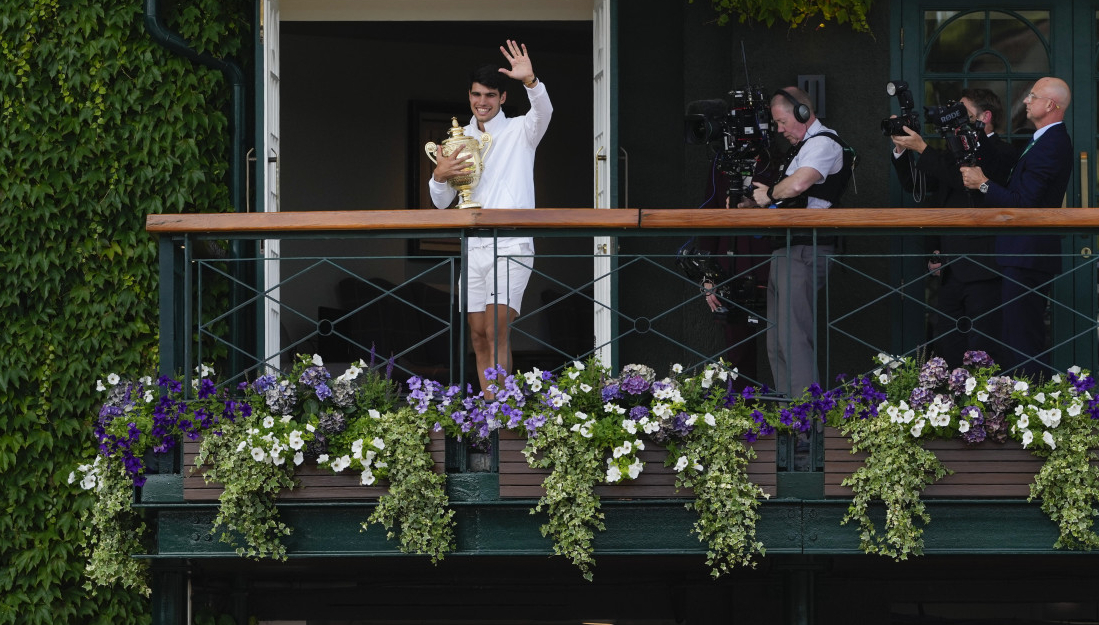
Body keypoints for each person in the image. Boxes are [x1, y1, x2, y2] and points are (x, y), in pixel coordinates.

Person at [428, 40, 553, 396]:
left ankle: (501, 410)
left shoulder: (520, 131)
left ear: (501, 98)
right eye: (475, 94)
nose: (481, 102)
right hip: (474, 247)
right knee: (478, 333)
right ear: (469, 96)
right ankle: (488, 407)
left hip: (512, 242)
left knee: (497, 329)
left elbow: (544, 112)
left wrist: (531, 82)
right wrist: (439, 175)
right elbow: (441, 203)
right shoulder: (458, 140)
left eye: (489, 95)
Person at [890, 88, 1018, 367]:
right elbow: (918, 186)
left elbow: (964, 178)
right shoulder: (952, 152)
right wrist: (902, 149)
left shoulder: (1002, 152)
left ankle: (986, 407)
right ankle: (948, 403)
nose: (954, 122)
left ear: (985, 117)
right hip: (951, 265)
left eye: (963, 115)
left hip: (986, 266)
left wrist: (923, 148)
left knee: (982, 347)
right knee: (947, 343)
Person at [961, 77, 1073, 378]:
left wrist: (983, 184)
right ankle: (1023, 408)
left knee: (1024, 339)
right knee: (1015, 335)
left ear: (1050, 105)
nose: (1026, 100)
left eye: (1032, 96)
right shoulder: (1042, 139)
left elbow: (1024, 203)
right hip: (1021, 254)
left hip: (1028, 254)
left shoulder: (1053, 143)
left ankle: (1034, 410)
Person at [746, 87, 847, 398]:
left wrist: (771, 194)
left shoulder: (824, 143)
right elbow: (789, 196)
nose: (779, 130)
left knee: (793, 339)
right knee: (777, 341)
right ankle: (791, 422)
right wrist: (754, 204)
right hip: (786, 248)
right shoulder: (802, 146)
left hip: (805, 248)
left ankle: (807, 428)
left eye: (781, 122)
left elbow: (800, 183)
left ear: (803, 113)